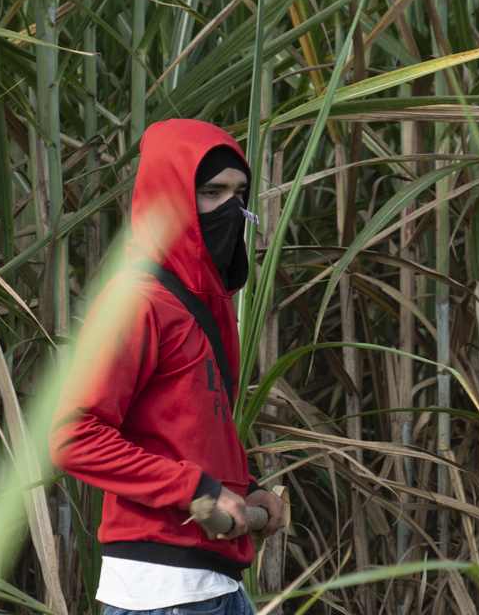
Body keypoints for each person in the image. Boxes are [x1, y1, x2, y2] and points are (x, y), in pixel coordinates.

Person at [50, 119, 285, 615]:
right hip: (160, 593)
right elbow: (75, 437)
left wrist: (249, 490)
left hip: (218, 584)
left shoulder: (209, 306)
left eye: (239, 193)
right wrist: (197, 491)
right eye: (212, 192)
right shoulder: (136, 302)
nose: (231, 209)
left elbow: (189, 432)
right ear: (169, 197)